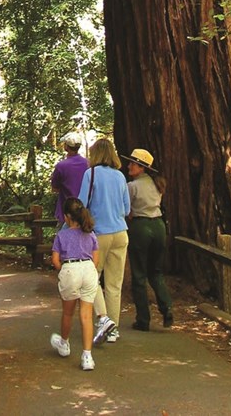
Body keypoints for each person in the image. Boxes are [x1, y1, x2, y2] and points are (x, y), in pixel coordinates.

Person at [77, 137, 130, 345]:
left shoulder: (90, 175)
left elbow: (81, 204)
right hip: (121, 233)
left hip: (99, 234)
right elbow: (127, 209)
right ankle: (113, 329)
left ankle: (104, 318)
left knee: (92, 278)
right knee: (114, 284)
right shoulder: (120, 176)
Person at [122, 148, 173, 331]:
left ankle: (143, 319)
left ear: (142, 167)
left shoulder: (132, 186)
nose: (129, 166)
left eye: (133, 163)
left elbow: (126, 209)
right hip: (159, 227)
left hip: (140, 227)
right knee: (156, 271)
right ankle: (167, 307)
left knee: (139, 274)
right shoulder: (156, 184)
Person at [50, 196, 100, 371]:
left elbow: (55, 260)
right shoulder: (91, 234)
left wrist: (63, 270)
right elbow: (96, 259)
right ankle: (87, 356)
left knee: (68, 313)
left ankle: (64, 344)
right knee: (86, 315)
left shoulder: (62, 235)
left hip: (71, 269)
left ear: (66, 217)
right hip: (88, 270)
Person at [50, 131, 89, 224]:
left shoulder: (61, 166)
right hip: (85, 211)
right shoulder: (88, 164)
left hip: (67, 214)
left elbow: (54, 188)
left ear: (66, 147)